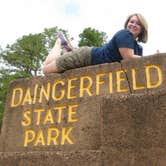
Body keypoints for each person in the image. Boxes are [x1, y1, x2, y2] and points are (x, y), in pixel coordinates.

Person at [42, 13, 148, 74]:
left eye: (138, 23)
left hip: (91, 58)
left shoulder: (138, 48)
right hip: (85, 57)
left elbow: (136, 66)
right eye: (131, 21)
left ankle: (69, 50)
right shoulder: (124, 34)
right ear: (127, 23)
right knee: (46, 70)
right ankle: (59, 43)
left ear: (142, 29)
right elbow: (128, 58)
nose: (133, 25)